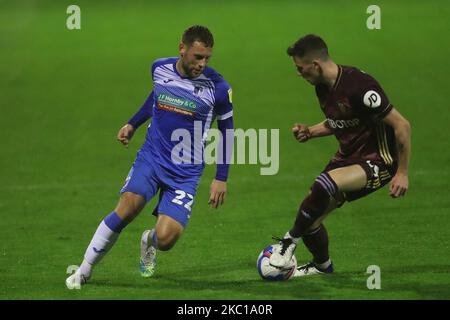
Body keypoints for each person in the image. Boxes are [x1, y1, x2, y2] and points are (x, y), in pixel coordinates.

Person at [66, 25, 234, 289]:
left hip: (185, 173)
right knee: (127, 208)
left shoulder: (219, 89)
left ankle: (149, 240)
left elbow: (227, 132)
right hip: (152, 158)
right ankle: (84, 270)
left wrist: (221, 177)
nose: (202, 64)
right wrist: (133, 124)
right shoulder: (159, 68)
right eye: (197, 57)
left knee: (166, 239)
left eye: (207, 58)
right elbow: (156, 97)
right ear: (182, 48)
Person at [269, 34, 411, 277]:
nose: (298, 74)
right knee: (312, 215)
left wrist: (402, 173)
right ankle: (322, 266)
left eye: (300, 69)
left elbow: (402, 125)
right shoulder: (322, 87)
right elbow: (340, 120)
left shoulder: (360, 86)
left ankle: (289, 241)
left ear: (315, 65)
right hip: (348, 156)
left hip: (378, 160)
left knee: (323, 185)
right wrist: (311, 131)